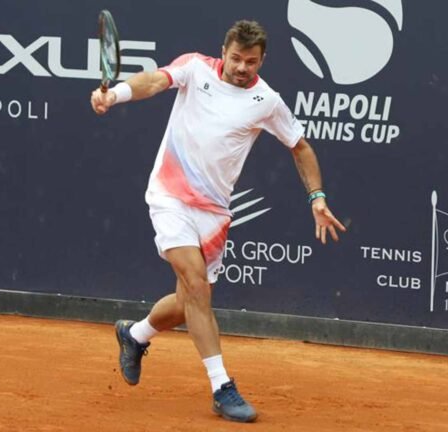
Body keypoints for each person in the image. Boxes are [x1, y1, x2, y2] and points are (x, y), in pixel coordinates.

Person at [90, 20, 346, 423]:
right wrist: (116, 95)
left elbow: (300, 146)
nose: (243, 67)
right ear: (223, 52)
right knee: (196, 286)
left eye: (252, 61)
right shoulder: (195, 68)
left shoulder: (266, 100)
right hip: (169, 196)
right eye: (237, 58)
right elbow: (155, 81)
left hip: (213, 213)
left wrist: (317, 197)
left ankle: (134, 334)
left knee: (187, 303)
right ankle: (221, 386)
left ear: (262, 61)